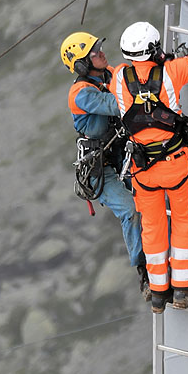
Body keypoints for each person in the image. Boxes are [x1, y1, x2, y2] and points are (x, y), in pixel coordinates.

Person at [110, 0, 188, 314]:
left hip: (142, 170)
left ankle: (159, 294)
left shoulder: (118, 78)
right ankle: (183, 290)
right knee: (185, 221)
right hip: (175, 164)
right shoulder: (173, 72)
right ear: (155, 48)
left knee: (152, 226)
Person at [60, 32, 149, 298]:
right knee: (131, 210)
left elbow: (129, 79)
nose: (101, 52)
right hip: (102, 168)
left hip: (124, 152)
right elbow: (116, 104)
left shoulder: (109, 74)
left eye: (99, 47)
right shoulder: (81, 93)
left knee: (158, 191)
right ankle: (143, 271)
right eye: (94, 51)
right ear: (81, 65)